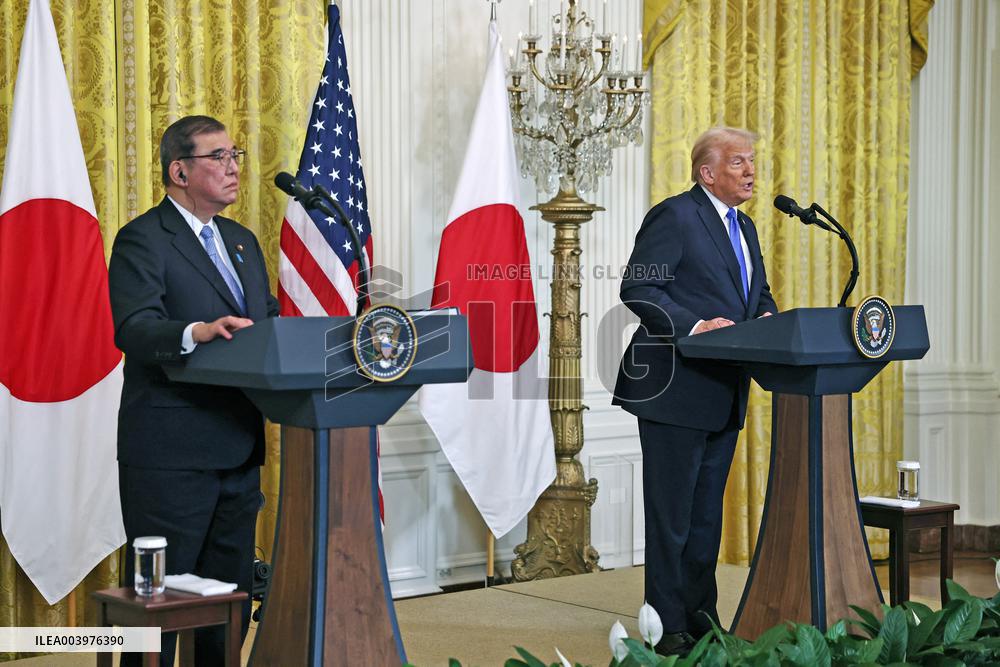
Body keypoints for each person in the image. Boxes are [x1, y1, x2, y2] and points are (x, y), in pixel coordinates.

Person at [108, 115, 279, 666]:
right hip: (170, 456)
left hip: (237, 449)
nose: (233, 168)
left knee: (224, 603)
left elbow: (266, 324)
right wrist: (193, 332)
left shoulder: (243, 242)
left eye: (235, 156)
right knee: (156, 607)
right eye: (218, 157)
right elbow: (133, 327)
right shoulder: (142, 238)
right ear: (179, 171)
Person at [613, 127, 777, 655]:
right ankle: (665, 630)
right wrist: (693, 324)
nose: (749, 171)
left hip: (724, 391)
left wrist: (769, 318)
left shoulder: (745, 227)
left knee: (706, 519)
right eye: (737, 163)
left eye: (751, 161)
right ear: (708, 173)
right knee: (673, 520)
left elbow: (757, 294)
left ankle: (702, 620)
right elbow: (639, 286)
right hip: (673, 389)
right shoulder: (676, 215)